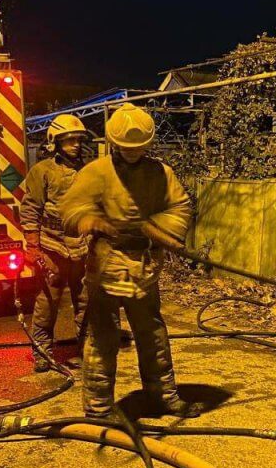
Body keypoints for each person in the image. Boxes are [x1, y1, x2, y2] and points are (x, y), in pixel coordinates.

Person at [59, 103, 201, 419]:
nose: (134, 152)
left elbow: (180, 207)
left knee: (152, 332)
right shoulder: (95, 173)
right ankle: (98, 408)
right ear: (115, 144)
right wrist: (90, 221)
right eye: (126, 147)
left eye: (139, 148)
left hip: (144, 266)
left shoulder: (160, 173)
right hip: (106, 265)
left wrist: (154, 231)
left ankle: (163, 395)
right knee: (103, 336)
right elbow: (70, 211)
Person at [20, 114, 90, 372]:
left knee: (86, 301)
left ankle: (86, 351)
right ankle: (43, 353)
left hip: (83, 246)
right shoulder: (42, 171)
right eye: (69, 140)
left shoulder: (88, 170)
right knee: (48, 301)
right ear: (55, 142)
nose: (75, 145)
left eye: (78, 140)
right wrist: (33, 246)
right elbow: (31, 209)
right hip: (53, 247)